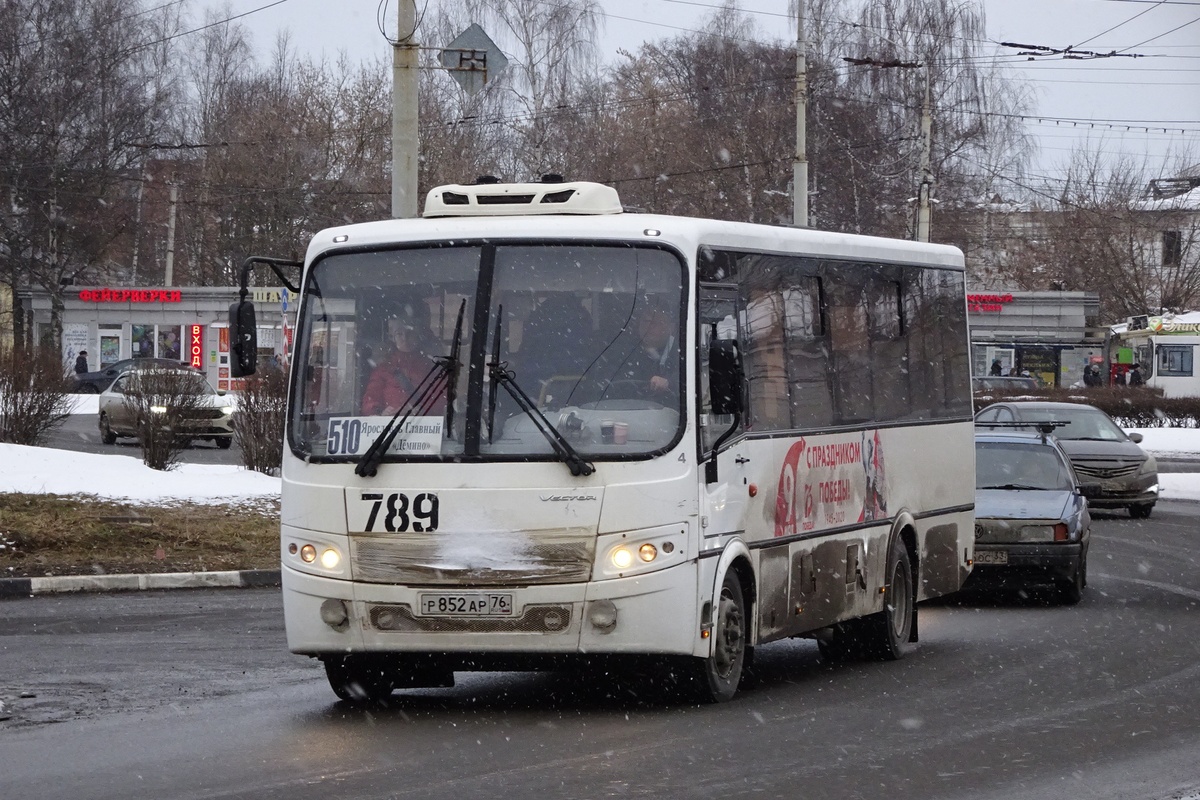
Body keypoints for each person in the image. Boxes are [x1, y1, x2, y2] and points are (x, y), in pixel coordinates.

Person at [361, 306, 441, 416]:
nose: (405, 338)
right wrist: (380, 413)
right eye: (399, 333)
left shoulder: (431, 368)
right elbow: (371, 398)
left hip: (423, 428)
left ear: (418, 335)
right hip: (390, 429)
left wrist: (423, 411)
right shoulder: (384, 368)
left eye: (409, 333)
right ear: (393, 338)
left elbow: (441, 397)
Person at [605, 298, 679, 402]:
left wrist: (668, 383)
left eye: (658, 322)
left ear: (671, 328)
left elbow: (687, 380)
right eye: (646, 321)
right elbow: (607, 380)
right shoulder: (624, 351)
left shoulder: (681, 351)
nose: (650, 326)